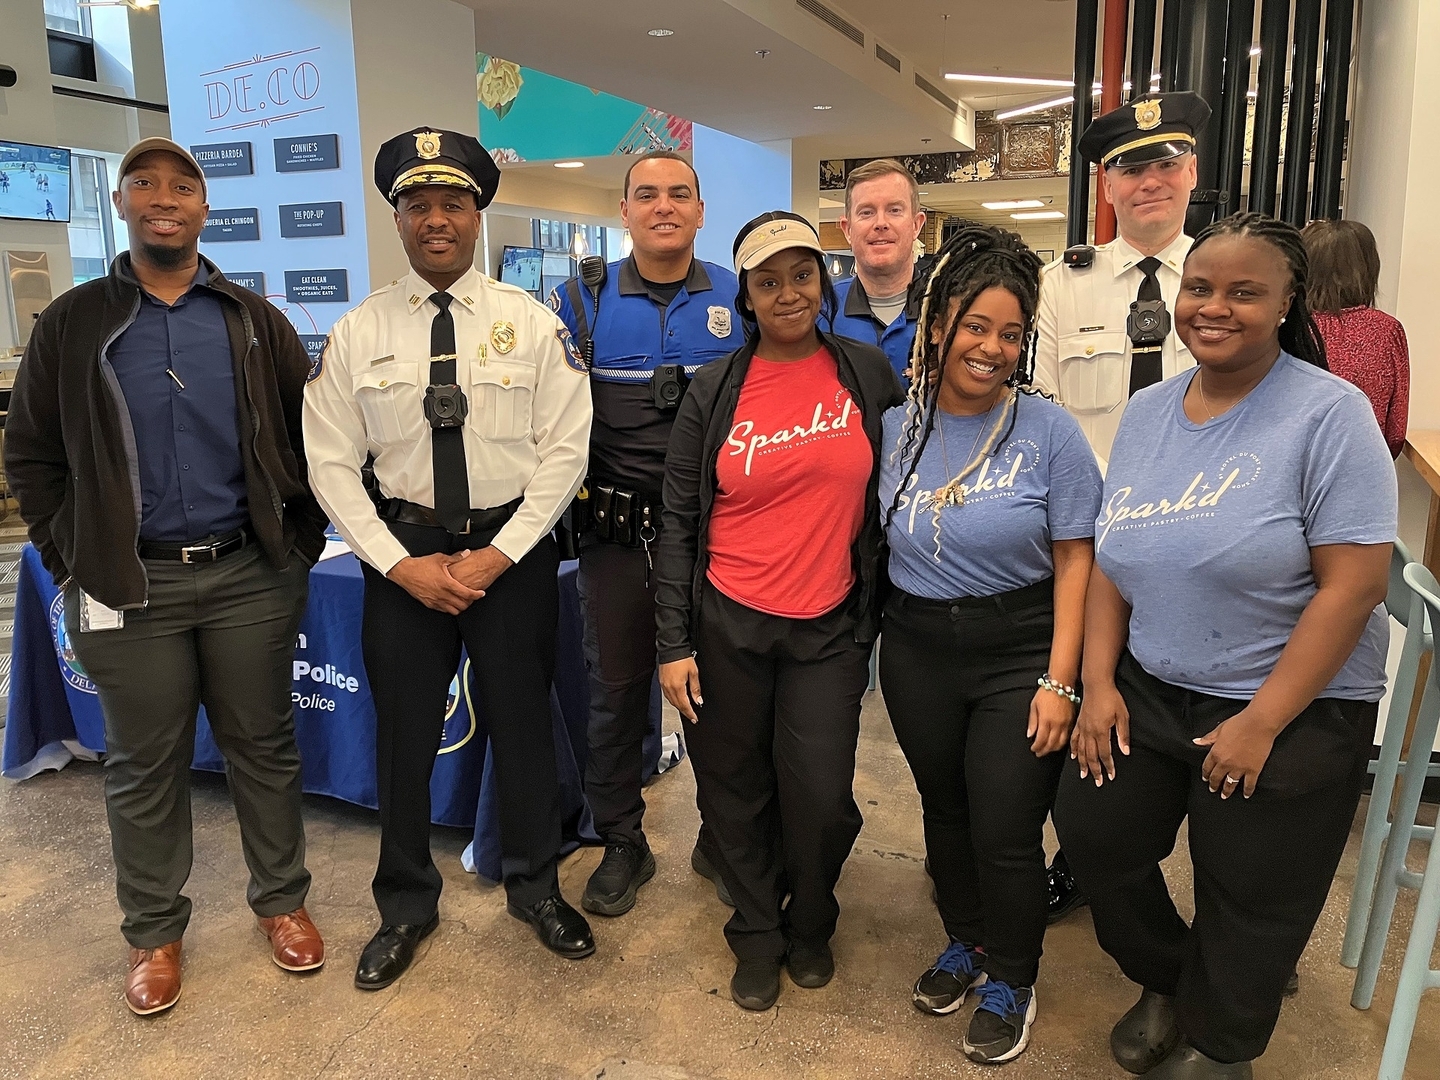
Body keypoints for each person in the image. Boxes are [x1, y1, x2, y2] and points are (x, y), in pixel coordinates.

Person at [1055, 213, 1396, 1080]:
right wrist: (1098, 683)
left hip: (1295, 701)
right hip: (1154, 680)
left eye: (1246, 292)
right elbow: (1113, 562)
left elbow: (1353, 585)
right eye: (1201, 288)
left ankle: (1220, 1045)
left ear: (1288, 303)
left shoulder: (1330, 415)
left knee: (1251, 888)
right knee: (1097, 834)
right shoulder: (1146, 413)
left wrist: (1263, 721)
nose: (1215, 307)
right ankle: (1171, 977)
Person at [5, 136, 330, 1016]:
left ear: (202, 207)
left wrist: (294, 549)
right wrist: (69, 555)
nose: (163, 198)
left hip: (246, 578)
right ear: (120, 204)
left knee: (263, 748)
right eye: (143, 183)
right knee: (144, 766)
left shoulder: (252, 320)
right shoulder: (72, 322)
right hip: (125, 587)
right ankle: (154, 932)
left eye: (181, 186)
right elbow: (30, 453)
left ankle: (284, 903)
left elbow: (311, 444)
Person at [303, 128, 594, 988]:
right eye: (418, 205)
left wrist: (501, 554)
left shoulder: (531, 324)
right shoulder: (359, 332)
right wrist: (399, 564)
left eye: (453, 204)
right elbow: (328, 461)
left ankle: (536, 886)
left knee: (524, 723)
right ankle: (403, 905)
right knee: (402, 735)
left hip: (511, 554)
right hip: (405, 558)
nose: (437, 220)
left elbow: (566, 451)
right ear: (398, 219)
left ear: (477, 217)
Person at [654, 212, 904, 1012]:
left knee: (821, 795)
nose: (788, 292)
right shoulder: (716, 387)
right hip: (727, 620)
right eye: (769, 281)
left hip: (828, 625)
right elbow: (680, 521)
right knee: (733, 787)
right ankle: (759, 932)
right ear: (748, 296)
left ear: (823, 283)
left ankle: (814, 920)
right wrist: (672, 642)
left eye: (802, 274)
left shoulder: (866, 374)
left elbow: (898, 492)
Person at [878, 224, 1100, 1064]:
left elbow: (1079, 560)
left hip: (1020, 648)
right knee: (945, 811)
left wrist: (1061, 681)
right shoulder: (898, 423)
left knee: (1007, 826)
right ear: (938, 326)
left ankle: (1013, 975)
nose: (992, 349)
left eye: (1011, 334)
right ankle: (966, 943)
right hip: (917, 645)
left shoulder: (1051, 434)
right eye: (976, 328)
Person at [1030, 90, 1211, 924]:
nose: (1150, 181)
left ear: (1192, 173)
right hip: (1093, 548)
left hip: (1202, 554)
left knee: (1197, 730)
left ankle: (1228, 900)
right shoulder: (1061, 286)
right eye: (1131, 167)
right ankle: (1087, 861)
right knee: (1087, 717)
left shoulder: (1223, 280)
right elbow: (1043, 414)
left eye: (1165, 162)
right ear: (1107, 186)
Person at [549, 150, 743, 918]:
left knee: (720, 696)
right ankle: (622, 839)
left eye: (680, 194)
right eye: (647, 195)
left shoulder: (740, 299)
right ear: (623, 210)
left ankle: (724, 840)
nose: (664, 206)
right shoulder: (579, 302)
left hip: (719, 538)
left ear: (700, 212)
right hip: (617, 538)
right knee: (616, 693)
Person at [1301, 218, 1409, 458]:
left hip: (1284, 473)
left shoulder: (1281, 326)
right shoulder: (1386, 331)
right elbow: (1395, 433)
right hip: (1361, 468)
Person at [831, 158, 927, 380]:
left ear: (916, 225)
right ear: (847, 229)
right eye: (866, 212)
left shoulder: (952, 309)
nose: (880, 223)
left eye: (894, 210)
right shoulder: (821, 312)